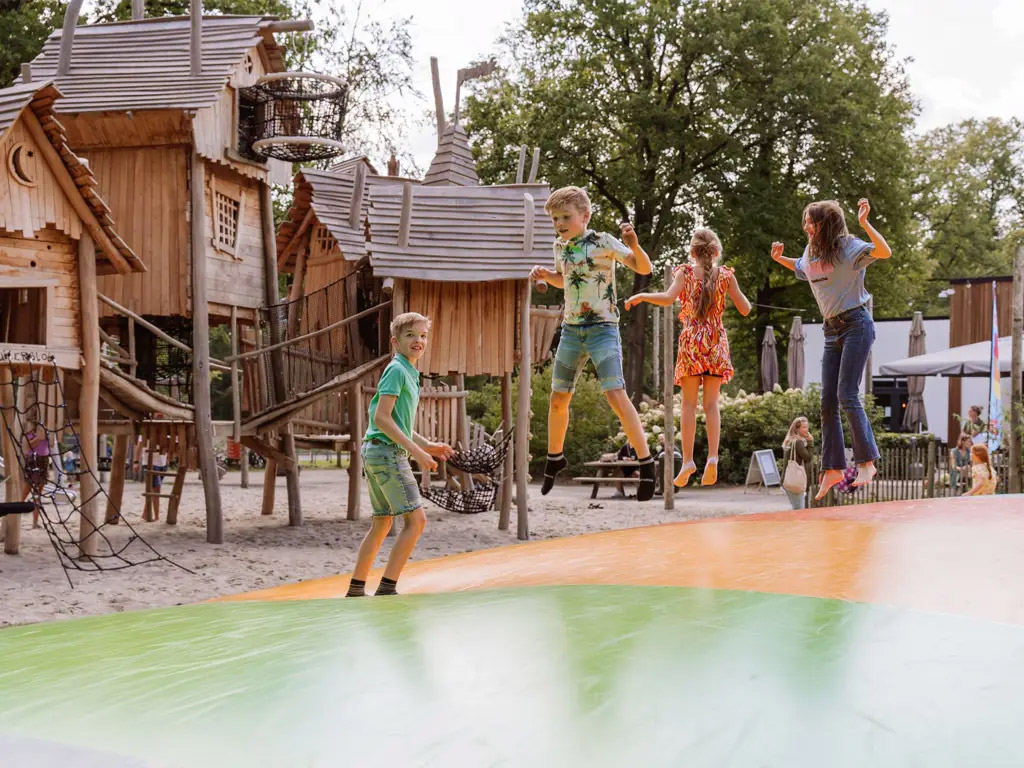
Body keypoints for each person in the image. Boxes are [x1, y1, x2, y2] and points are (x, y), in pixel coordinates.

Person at [530, 186, 657, 501]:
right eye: (555, 219)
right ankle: (555, 457)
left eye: (566, 217)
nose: (560, 223)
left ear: (585, 216)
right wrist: (547, 274)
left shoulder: (602, 242)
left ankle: (646, 462)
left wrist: (634, 245)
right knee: (558, 399)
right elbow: (566, 278)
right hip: (572, 330)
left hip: (602, 328)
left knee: (615, 395)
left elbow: (644, 268)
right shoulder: (560, 246)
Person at [769, 198, 890, 500]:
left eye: (811, 221)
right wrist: (780, 260)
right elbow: (800, 267)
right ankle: (833, 468)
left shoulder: (850, 247)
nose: (805, 226)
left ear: (825, 224)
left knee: (846, 394)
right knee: (827, 401)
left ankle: (867, 461)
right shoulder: (811, 252)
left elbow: (884, 252)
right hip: (830, 329)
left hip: (856, 324)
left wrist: (865, 224)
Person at [626, 228, 751, 486]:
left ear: (692, 252)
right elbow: (746, 309)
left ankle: (688, 461)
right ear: (716, 252)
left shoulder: (684, 273)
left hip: (693, 341)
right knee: (711, 405)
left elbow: (668, 298)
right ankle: (713, 458)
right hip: (716, 341)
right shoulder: (726, 276)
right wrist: (729, 291)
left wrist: (642, 295)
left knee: (688, 406)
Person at [346, 312, 454, 597]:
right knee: (416, 522)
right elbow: (382, 418)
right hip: (386, 453)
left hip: (377, 452)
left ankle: (356, 589)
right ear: (396, 341)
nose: (418, 340)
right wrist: (416, 452)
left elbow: (398, 422)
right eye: (410, 335)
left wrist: (427, 444)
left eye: (422, 335)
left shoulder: (408, 370)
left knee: (382, 521)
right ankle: (387, 588)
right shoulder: (396, 369)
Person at [23, 415, 50, 527]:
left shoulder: (48, 432)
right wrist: (39, 437)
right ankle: (12, 517)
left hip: (43, 461)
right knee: (25, 492)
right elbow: (29, 446)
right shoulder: (30, 432)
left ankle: (35, 522)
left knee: (38, 494)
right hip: (34, 461)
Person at [781, 417, 813, 509]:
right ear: (797, 428)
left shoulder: (790, 440)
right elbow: (808, 458)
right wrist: (810, 442)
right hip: (795, 481)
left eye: (807, 427)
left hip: (788, 480)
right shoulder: (798, 443)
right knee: (799, 511)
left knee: (796, 509)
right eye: (804, 427)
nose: (807, 430)